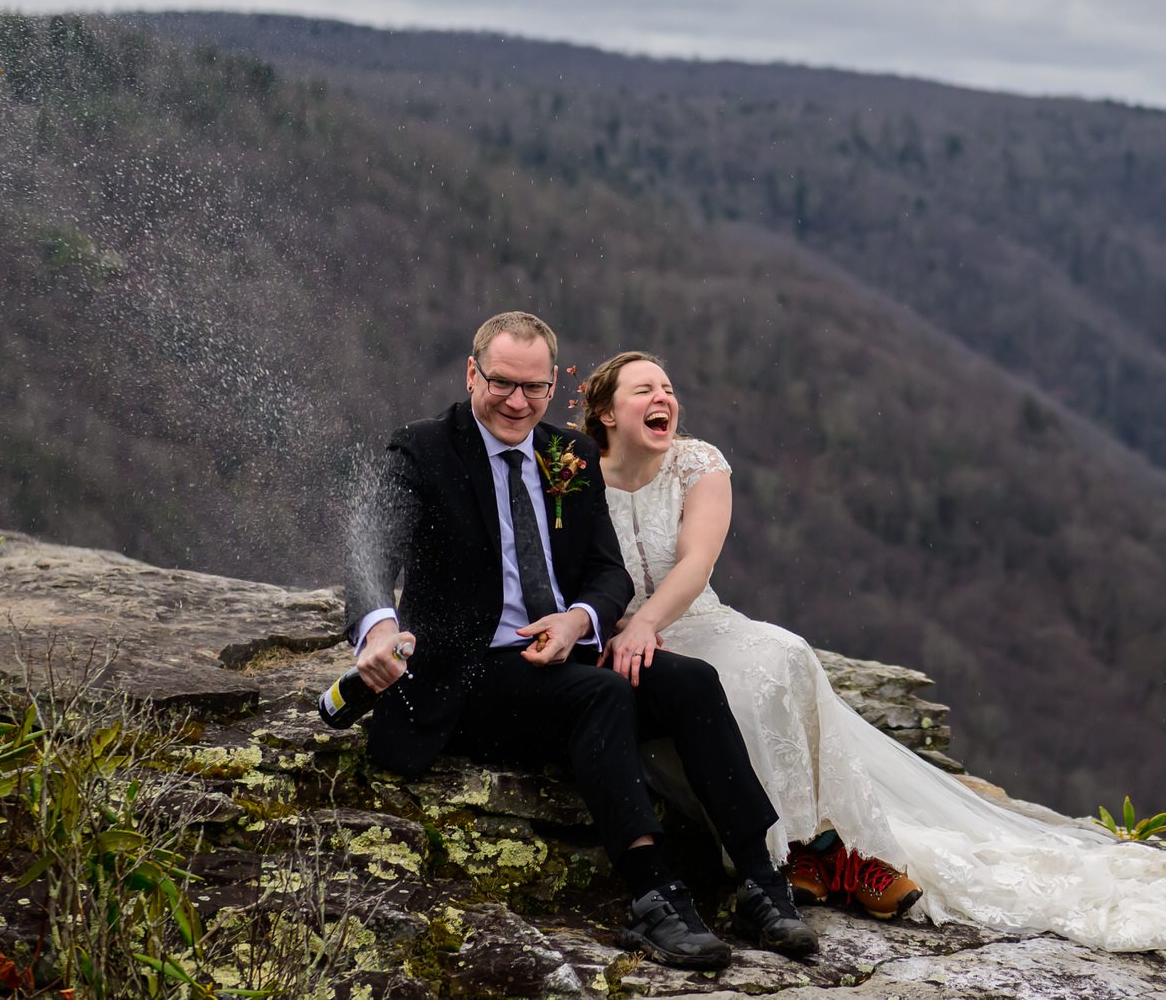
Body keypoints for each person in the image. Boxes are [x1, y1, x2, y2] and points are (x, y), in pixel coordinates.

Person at [579, 350, 1166, 983]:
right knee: (700, 695)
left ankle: (802, 850)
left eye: (668, 386)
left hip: (699, 621)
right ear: (605, 413)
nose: (665, 397)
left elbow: (697, 558)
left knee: (778, 658)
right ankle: (769, 857)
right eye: (644, 389)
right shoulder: (573, 476)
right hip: (624, 640)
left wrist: (651, 618)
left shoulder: (699, 462)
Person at [344, 313, 816, 969]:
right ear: (471, 372)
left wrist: (579, 620)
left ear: (552, 383)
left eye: (533, 388)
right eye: (502, 383)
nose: (517, 401)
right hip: (469, 671)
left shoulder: (566, 454)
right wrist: (380, 626)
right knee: (598, 694)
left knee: (690, 681)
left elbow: (606, 570)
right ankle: (654, 894)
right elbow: (370, 546)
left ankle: (761, 884)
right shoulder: (421, 449)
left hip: (560, 653)